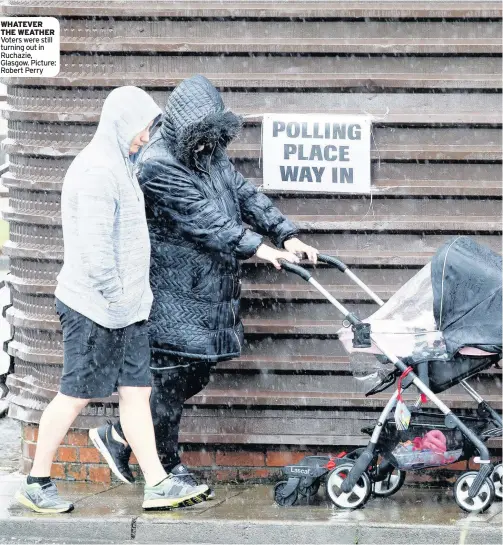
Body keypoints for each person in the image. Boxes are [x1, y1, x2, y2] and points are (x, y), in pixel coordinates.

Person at [89, 75, 318, 499]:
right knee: (171, 380)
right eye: (201, 134)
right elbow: (204, 220)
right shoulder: (157, 164)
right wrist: (261, 250)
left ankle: (121, 436)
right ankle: (160, 459)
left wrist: (287, 235)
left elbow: (245, 195)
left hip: (208, 289)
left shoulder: (208, 154)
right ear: (181, 126)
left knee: (191, 375)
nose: (207, 142)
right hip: (173, 291)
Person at [15, 86, 209, 514]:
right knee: (75, 395)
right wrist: (120, 298)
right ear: (121, 124)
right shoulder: (98, 171)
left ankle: (157, 483)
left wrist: (134, 302)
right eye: (142, 128)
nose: (146, 136)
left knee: (137, 394)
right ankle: (35, 481)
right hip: (94, 309)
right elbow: (96, 253)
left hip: (126, 311)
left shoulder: (122, 163)